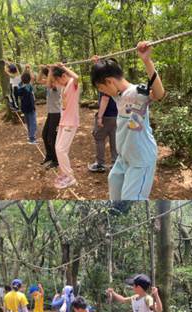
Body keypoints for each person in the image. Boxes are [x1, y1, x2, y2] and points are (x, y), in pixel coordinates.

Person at [90, 42, 165, 200]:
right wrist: (98, 65)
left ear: (110, 81)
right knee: (114, 183)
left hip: (140, 158)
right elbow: (108, 76)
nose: (103, 93)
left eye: (102, 88)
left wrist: (147, 61)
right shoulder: (117, 95)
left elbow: (159, 94)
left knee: (131, 199)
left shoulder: (136, 93)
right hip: (124, 157)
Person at [50, 63, 81, 189]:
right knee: (59, 148)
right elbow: (64, 106)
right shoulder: (64, 87)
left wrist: (63, 67)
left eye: (57, 80)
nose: (56, 83)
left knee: (61, 149)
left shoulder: (73, 84)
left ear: (63, 75)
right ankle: (63, 173)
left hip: (71, 122)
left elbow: (77, 77)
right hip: (64, 121)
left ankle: (70, 178)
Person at [88, 90, 118, 173]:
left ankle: (100, 164)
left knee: (99, 138)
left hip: (106, 116)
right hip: (116, 116)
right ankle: (115, 163)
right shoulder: (115, 81)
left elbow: (105, 98)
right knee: (114, 139)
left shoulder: (104, 81)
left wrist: (99, 117)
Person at [36, 67, 61, 169]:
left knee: (52, 137)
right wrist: (42, 70)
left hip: (56, 114)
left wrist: (50, 70)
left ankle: (56, 160)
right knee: (45, 135)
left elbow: (49, 84)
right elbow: (38, 80)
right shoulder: (49, 82)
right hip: (51, 113)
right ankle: (49, 156)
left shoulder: (57, 84)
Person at [15, 71, 37, 144]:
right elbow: (33, 78)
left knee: (29, 123)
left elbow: (23, 80)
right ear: (29, 79)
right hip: (30, 107)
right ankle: (32, 139)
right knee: (33, 123)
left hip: (24, 108)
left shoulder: (20, 87)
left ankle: (30, 136)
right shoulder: (28, 86)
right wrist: (29, 69)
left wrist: (26, 71)